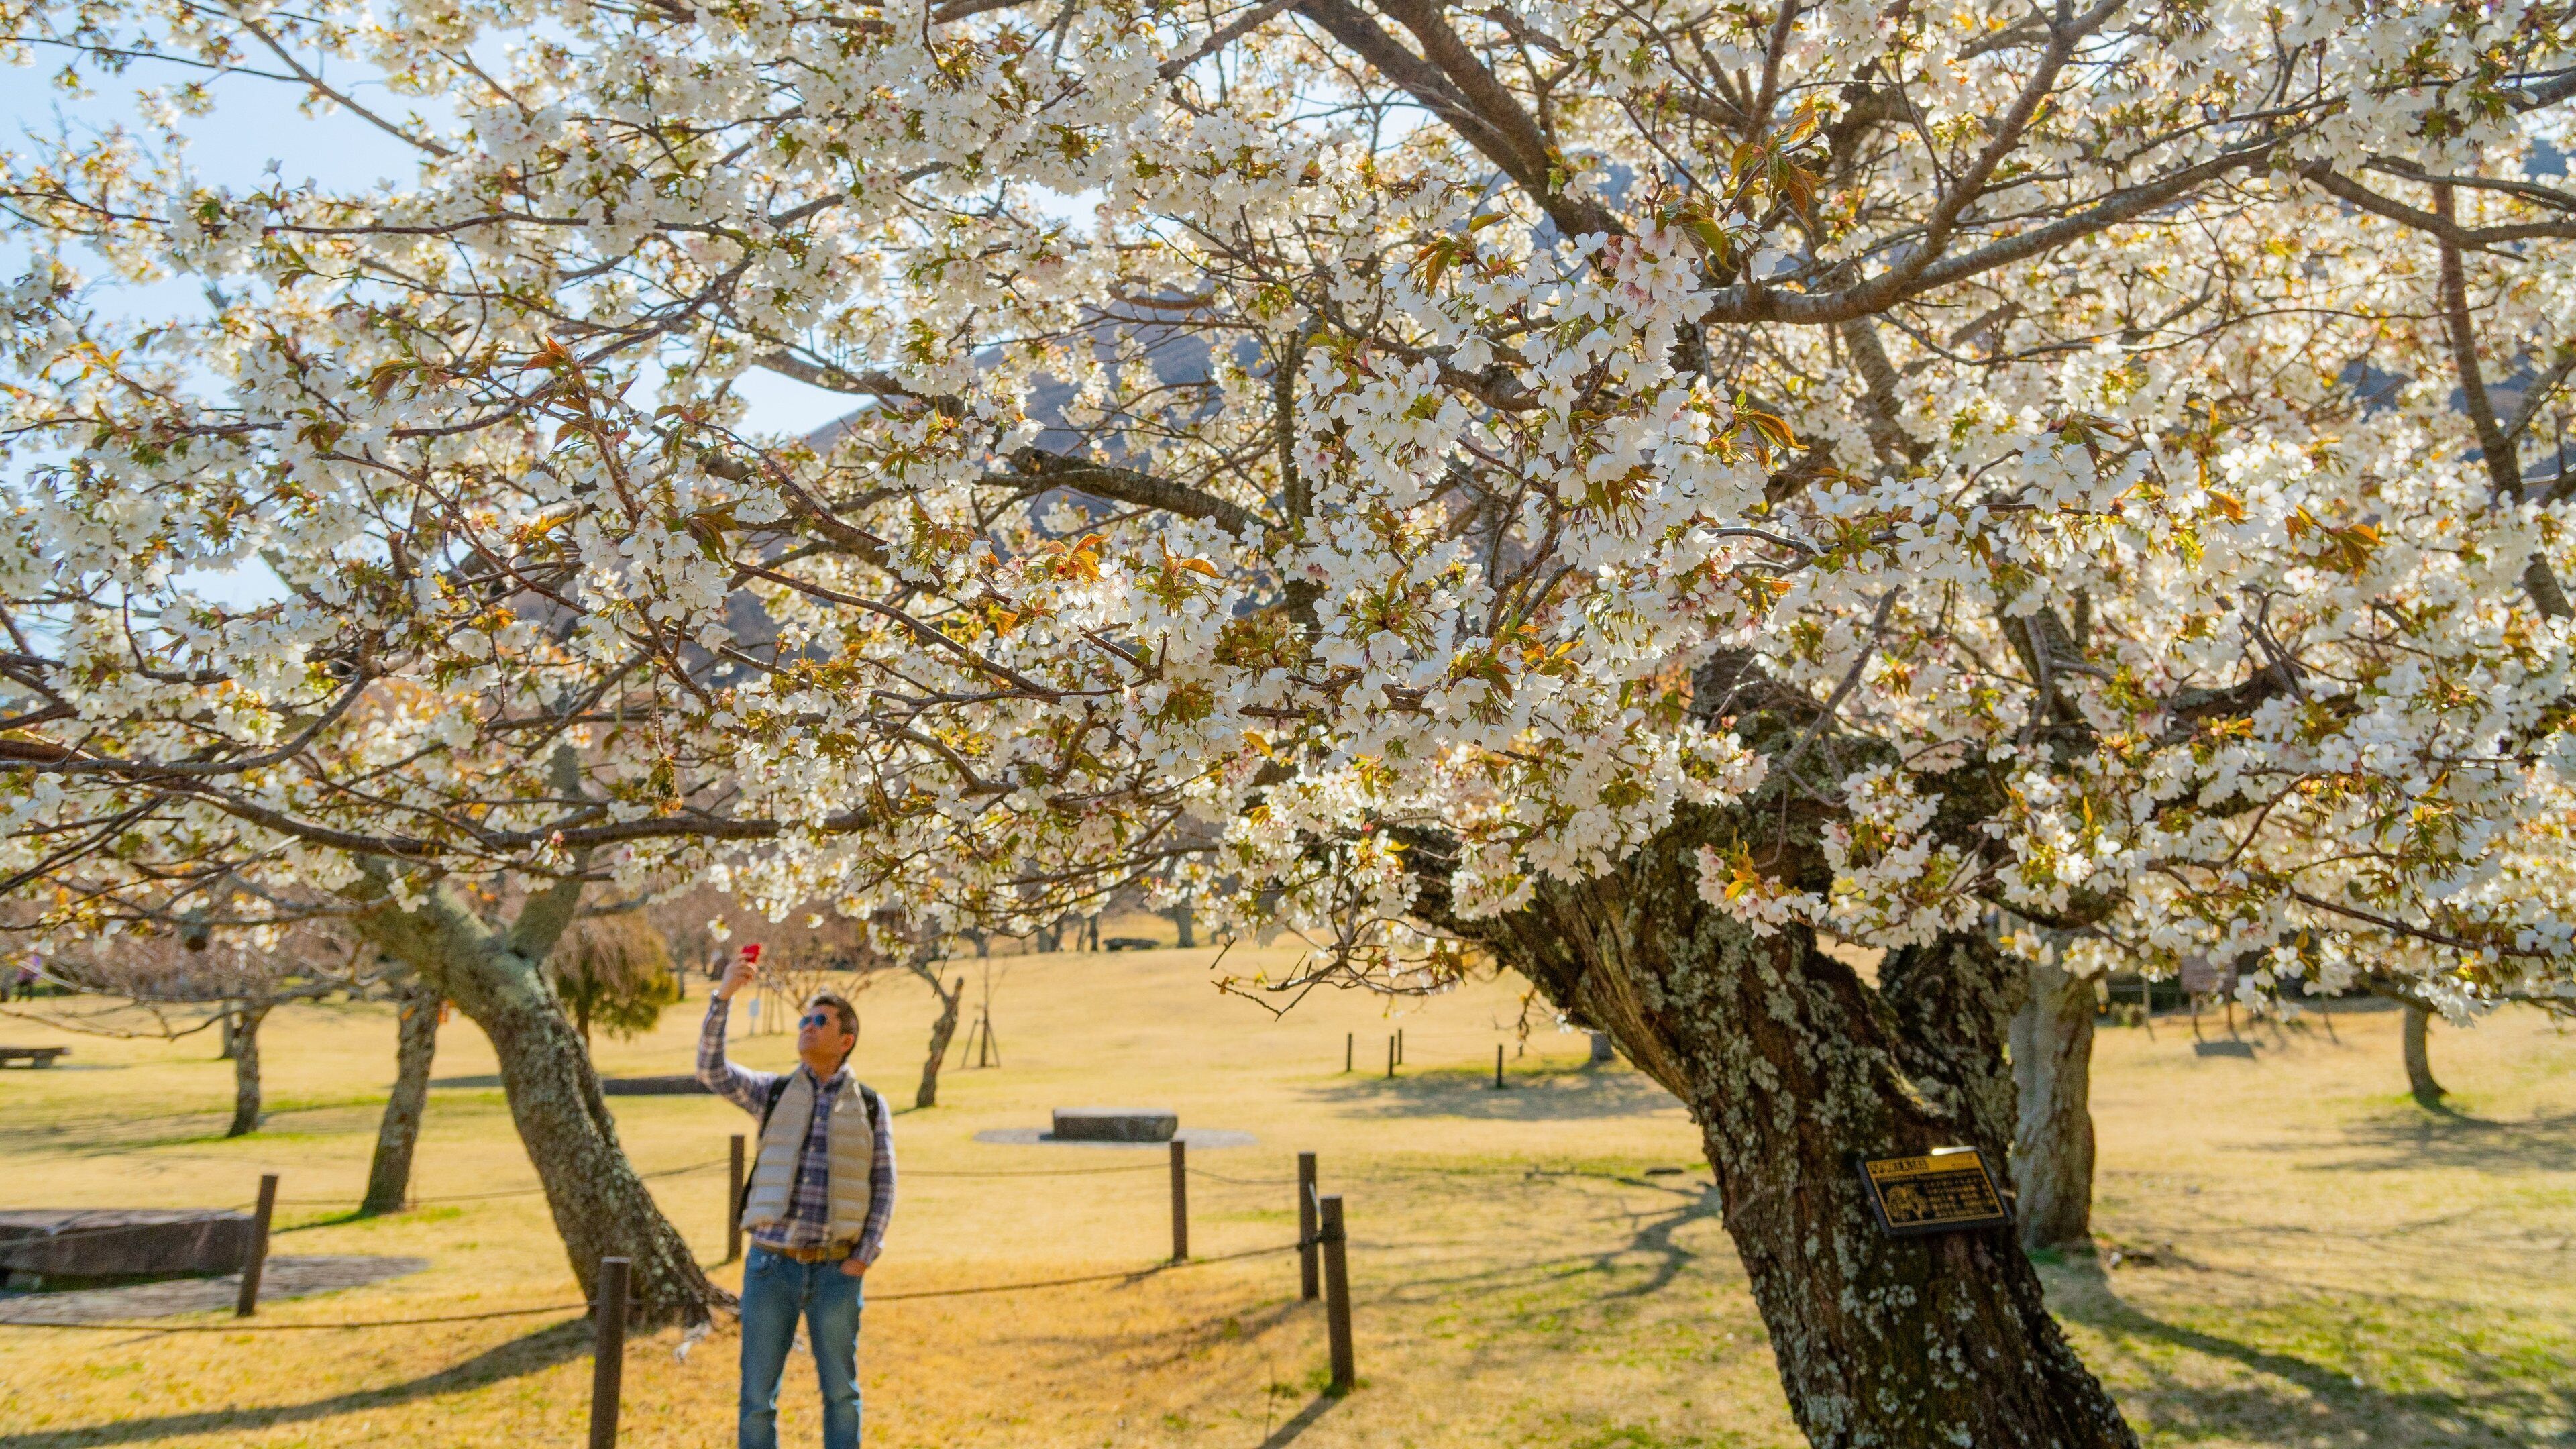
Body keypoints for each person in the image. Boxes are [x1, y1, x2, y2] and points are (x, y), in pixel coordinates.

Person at [699, 953, 895, 1449]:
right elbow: (711, 1070)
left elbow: (884, 1185)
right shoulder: (773, 1091)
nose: (807, 1027)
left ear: (846, 1040)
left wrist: (862, 1257)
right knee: (757, 1398)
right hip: (771, 1267)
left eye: (820, 1022)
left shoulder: (871, 1105)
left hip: (836, 1272)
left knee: (842, 1395)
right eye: (805, 1020)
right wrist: (723, 997)